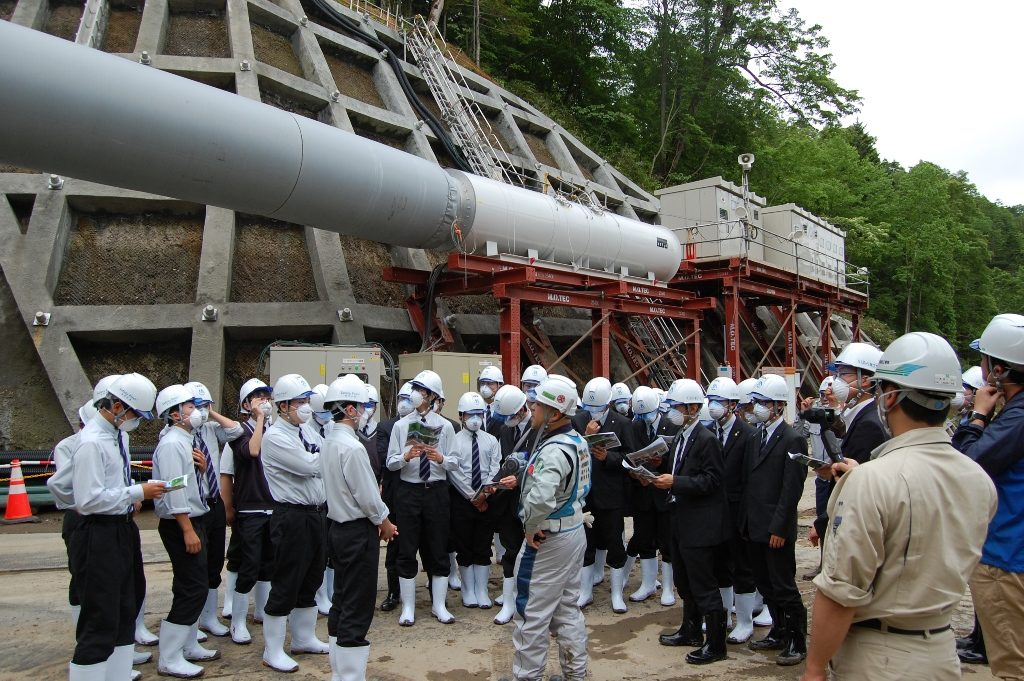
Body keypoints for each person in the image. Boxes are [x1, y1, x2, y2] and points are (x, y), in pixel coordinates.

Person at [801, 331, 998, 681]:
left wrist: (814, 669)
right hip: (940, 649)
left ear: (890, 398)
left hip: (880, 656)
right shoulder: (978, 478)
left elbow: (841, 593)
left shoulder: (874, 481)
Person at [67, 373, 165, 681]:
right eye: (135, 414)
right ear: (117, 406)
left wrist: (134, 492)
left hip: (122, 528)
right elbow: (87, 499)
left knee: (126, 606)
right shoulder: (91, 443)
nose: (136, 421)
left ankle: (119, 674)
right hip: (98, 532)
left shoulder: (116, 436)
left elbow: (112, 483)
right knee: (99, 618)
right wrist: (138, 492)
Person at [953, 313, 1024, 681]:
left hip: (1007, 559)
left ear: (999, 370)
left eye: (983, 362)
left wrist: (978, 416)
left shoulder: (1018, 417)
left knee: (1012, 666)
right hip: (1011, 553)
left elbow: (966, 467)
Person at [511, 374, 591, 681]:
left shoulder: (554, 449)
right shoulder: (577, 441)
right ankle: (576, 673)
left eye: (538, 405)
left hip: (549, 537)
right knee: (567, 609)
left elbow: (541, 497)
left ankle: (527, 676)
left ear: (555, 413)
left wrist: (530, 527)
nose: (533, 409)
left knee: (531, 612)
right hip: (573, 530)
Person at [320, 375, 398, 681]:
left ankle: (341, 673)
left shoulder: (329, 442)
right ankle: (351, 676)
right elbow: (367, 497)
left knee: (342, 598)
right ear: (349, 409)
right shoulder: (352, 448)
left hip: (337, 528)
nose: (365, 411)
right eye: (362, 406)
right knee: (358, 603)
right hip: (356, 531)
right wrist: (386, 522)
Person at [652, 379, 729, 665]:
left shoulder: (707, 439)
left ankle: (716, 645)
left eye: (678, 407)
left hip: (701, 524)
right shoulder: (684, 434)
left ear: (694, 408)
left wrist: (676, 482)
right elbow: (680, 467)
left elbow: (712, 480)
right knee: (685, 580)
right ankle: (691, 629)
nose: (673, 412)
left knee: (704, 583)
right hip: (681, 519)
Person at [260, 373, 329, 672]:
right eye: (300, 402)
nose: (306, 407)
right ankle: (272, 650)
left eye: (306, 401)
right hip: (292, 516)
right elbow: (311, 465)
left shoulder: (309, 432)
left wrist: (324, 456)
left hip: (316, 514)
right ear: (283, 405)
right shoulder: (274, 437)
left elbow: (321, 454)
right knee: (287, 580)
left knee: (312, 577)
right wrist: (326, 457)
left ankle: (303, 638)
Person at [742, 373, 808, 666]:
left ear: (779, 406)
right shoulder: (756, 435)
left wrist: (779, 527)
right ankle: (778, 631)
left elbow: (790, 490)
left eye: (763, 403)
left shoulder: (793, 439)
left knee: (783, 585)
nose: (758, 408)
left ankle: (797, 639)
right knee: (764, 582)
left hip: (775, 529)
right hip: (755, 525)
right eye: (756, 402)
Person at [152, 384, 218, 678]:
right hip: (182, 523)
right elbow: (174, 490)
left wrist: (202, 470)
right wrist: (187, 529)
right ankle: (169, 656)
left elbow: (189, 483)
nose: (197, 411)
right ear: (174, 414)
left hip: (195, 519)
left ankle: (187, 645)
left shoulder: (186, 440)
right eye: (190, 407)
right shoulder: (171, 444)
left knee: (194, 585)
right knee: (191, 588)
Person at [385, 370, 458, 626]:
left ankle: (439, 605)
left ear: (433, 397)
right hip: (409, 492)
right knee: (406, 548)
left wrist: (442, 459)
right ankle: (408, 607)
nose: (417, 395)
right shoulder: (401, 425)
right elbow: (390, 462)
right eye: (415, 389)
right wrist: (406, 457)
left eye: (423, 391)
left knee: (438, 547)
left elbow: (456, 462)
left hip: (436, 491)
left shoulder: (446, 426)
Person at [182, 381, 244, 640]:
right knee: (193, 569)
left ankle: (208, 617)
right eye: (194, 406)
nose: (199, 411)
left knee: (214, 562)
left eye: (203, 406)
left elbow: (237, 430)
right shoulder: (173, 435)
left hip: (213, 503)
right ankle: (190, 622)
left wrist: (211, 413)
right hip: (191, 507)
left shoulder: (209, 429)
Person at [704, 376, 760, 645]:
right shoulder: (710, 431)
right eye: (711, 400)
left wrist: (748, 517)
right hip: (715, 512)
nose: (714, 406)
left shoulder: (747, 434)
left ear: (733, 405)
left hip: (738, 510)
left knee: (742, 567)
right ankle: (723, 616)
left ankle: (745, 621)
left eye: (720, 401)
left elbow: (751, 479)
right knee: (720, 565)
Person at [220, 378, 275, 645]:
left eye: (267, 395)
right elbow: (253, 451)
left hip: (273, 507)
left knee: (268, 564)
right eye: (258, 396)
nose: (265, 400)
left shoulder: (275, 429)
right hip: (250, 509)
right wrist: (228, 507)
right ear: (245, 404)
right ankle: (238, 622)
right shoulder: (239, 432)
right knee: (248, 566)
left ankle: (262, 612)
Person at [572, 376, 632, 612]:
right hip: (585, 494)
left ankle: (617, 593)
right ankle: (585, 592)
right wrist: (585, 438)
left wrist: (609, 458)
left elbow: (630, 457)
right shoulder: (578, 421)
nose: (593, 412)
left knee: (615, 543)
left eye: (598, 408)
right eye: (589, 408)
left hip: (611, 495)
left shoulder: (622, 423)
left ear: (608, 404)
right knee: (586, 544)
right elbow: (570, 452)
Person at [623, 386, 677, 607]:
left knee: (667, 541)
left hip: (664, 491)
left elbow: (678, 459)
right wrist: (635, 473)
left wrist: (661, 463)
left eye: (647, 414)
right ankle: (647, 583)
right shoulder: (635, 426)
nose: (644, 418)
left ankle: (668, 588)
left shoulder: (671, 425)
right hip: (643, 491)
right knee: (644, 538)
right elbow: (629, 454)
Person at [448, 392, 501, 608]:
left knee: (483, 545)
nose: (475, 419)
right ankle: (468, 590)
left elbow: (495, 467)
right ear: (461, 415)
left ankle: (482, 589)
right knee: (464, 545)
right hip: (463, 500)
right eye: (471, 414)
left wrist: (485, 494)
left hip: (486, 501)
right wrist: (472, 496)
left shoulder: (491, 440)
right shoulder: (454, 441)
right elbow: (454, 471)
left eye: (479, 414)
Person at [488, 384, 535, 625]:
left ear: (522, 410)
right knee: (510, 550)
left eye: (510, 417)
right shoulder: (506, 431)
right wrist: (493, 484)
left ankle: (527, 600)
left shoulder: (540, 430)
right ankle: (508, 602)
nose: (506, 422)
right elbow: (503, 463)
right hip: (508, 500)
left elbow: (545, 466)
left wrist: (521, 478)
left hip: (531, 502)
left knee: (531, 553)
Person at [377, 382, 420, 613]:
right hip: (395, 494)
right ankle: (394, 592)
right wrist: (405, 453)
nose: (405, 403)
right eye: (402, 398)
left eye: (408, 398)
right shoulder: (387, 427)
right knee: (396, 544)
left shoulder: (423, 424)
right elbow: (385, 457)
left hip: (417, 493)